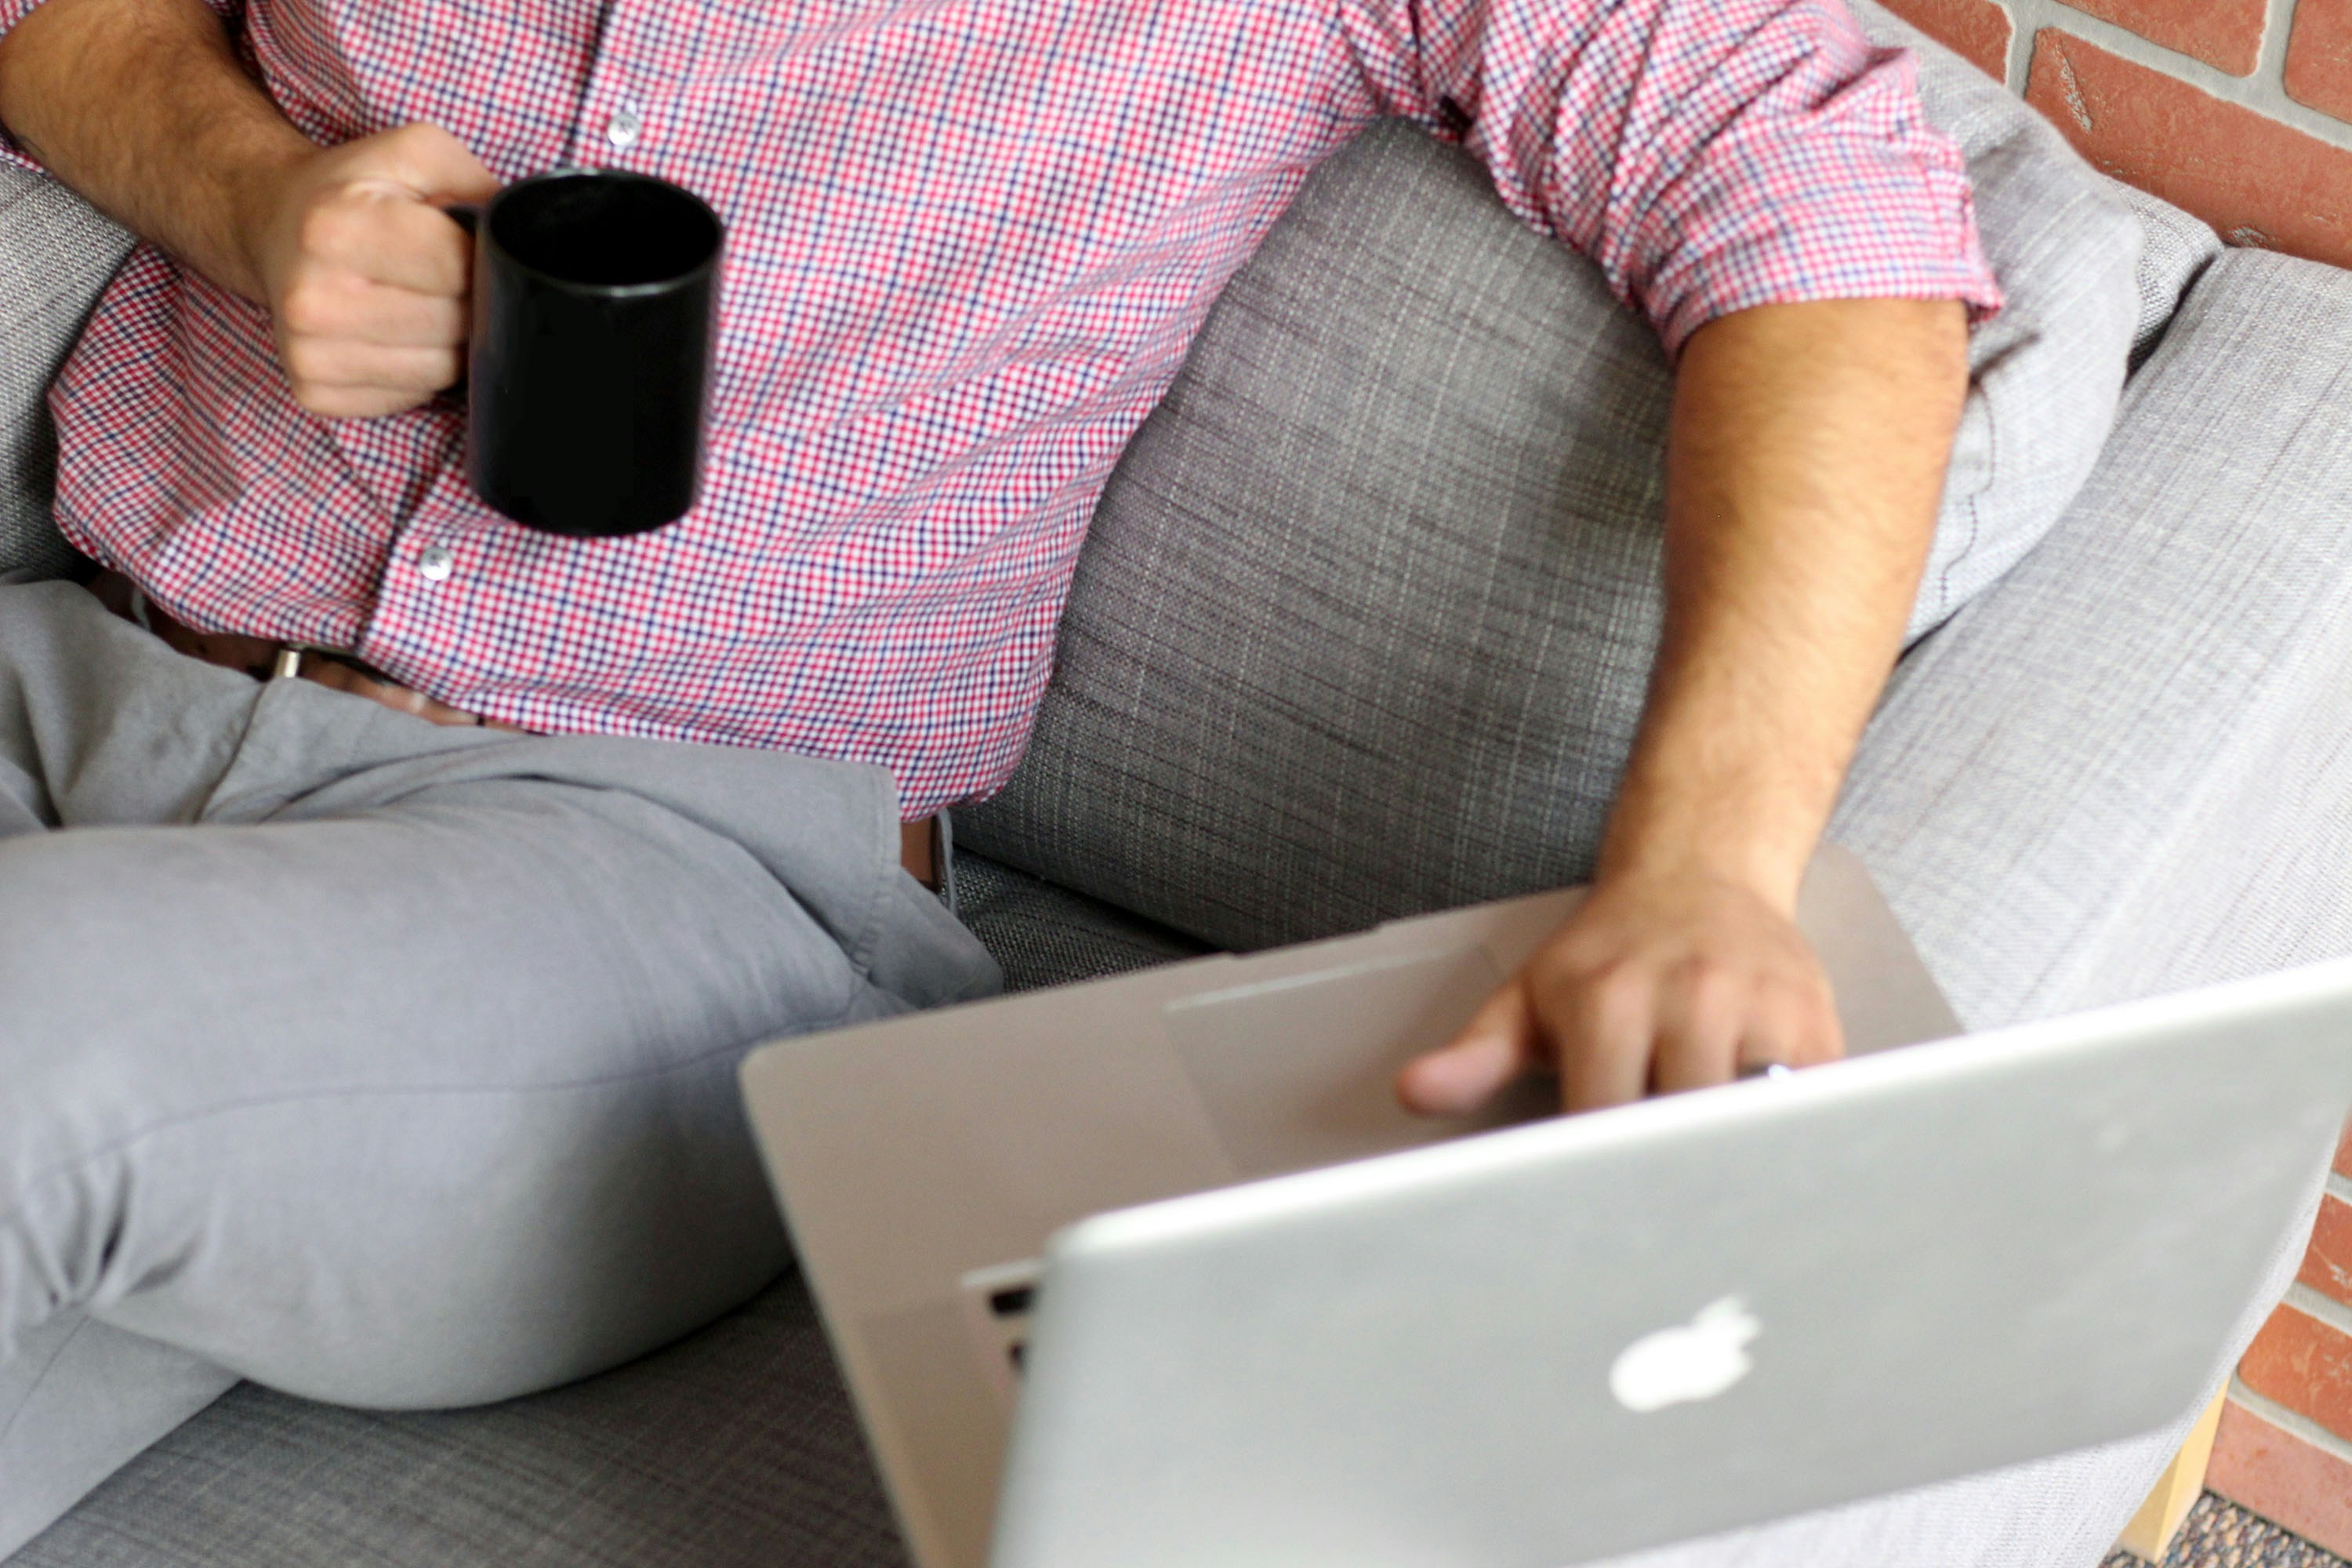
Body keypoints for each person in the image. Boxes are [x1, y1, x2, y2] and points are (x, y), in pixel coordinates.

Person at [0, 0, 1995, 1548]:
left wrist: (1706, 867)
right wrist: (256, 197)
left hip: (648, 873)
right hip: (80, 660)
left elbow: (1825, 201)